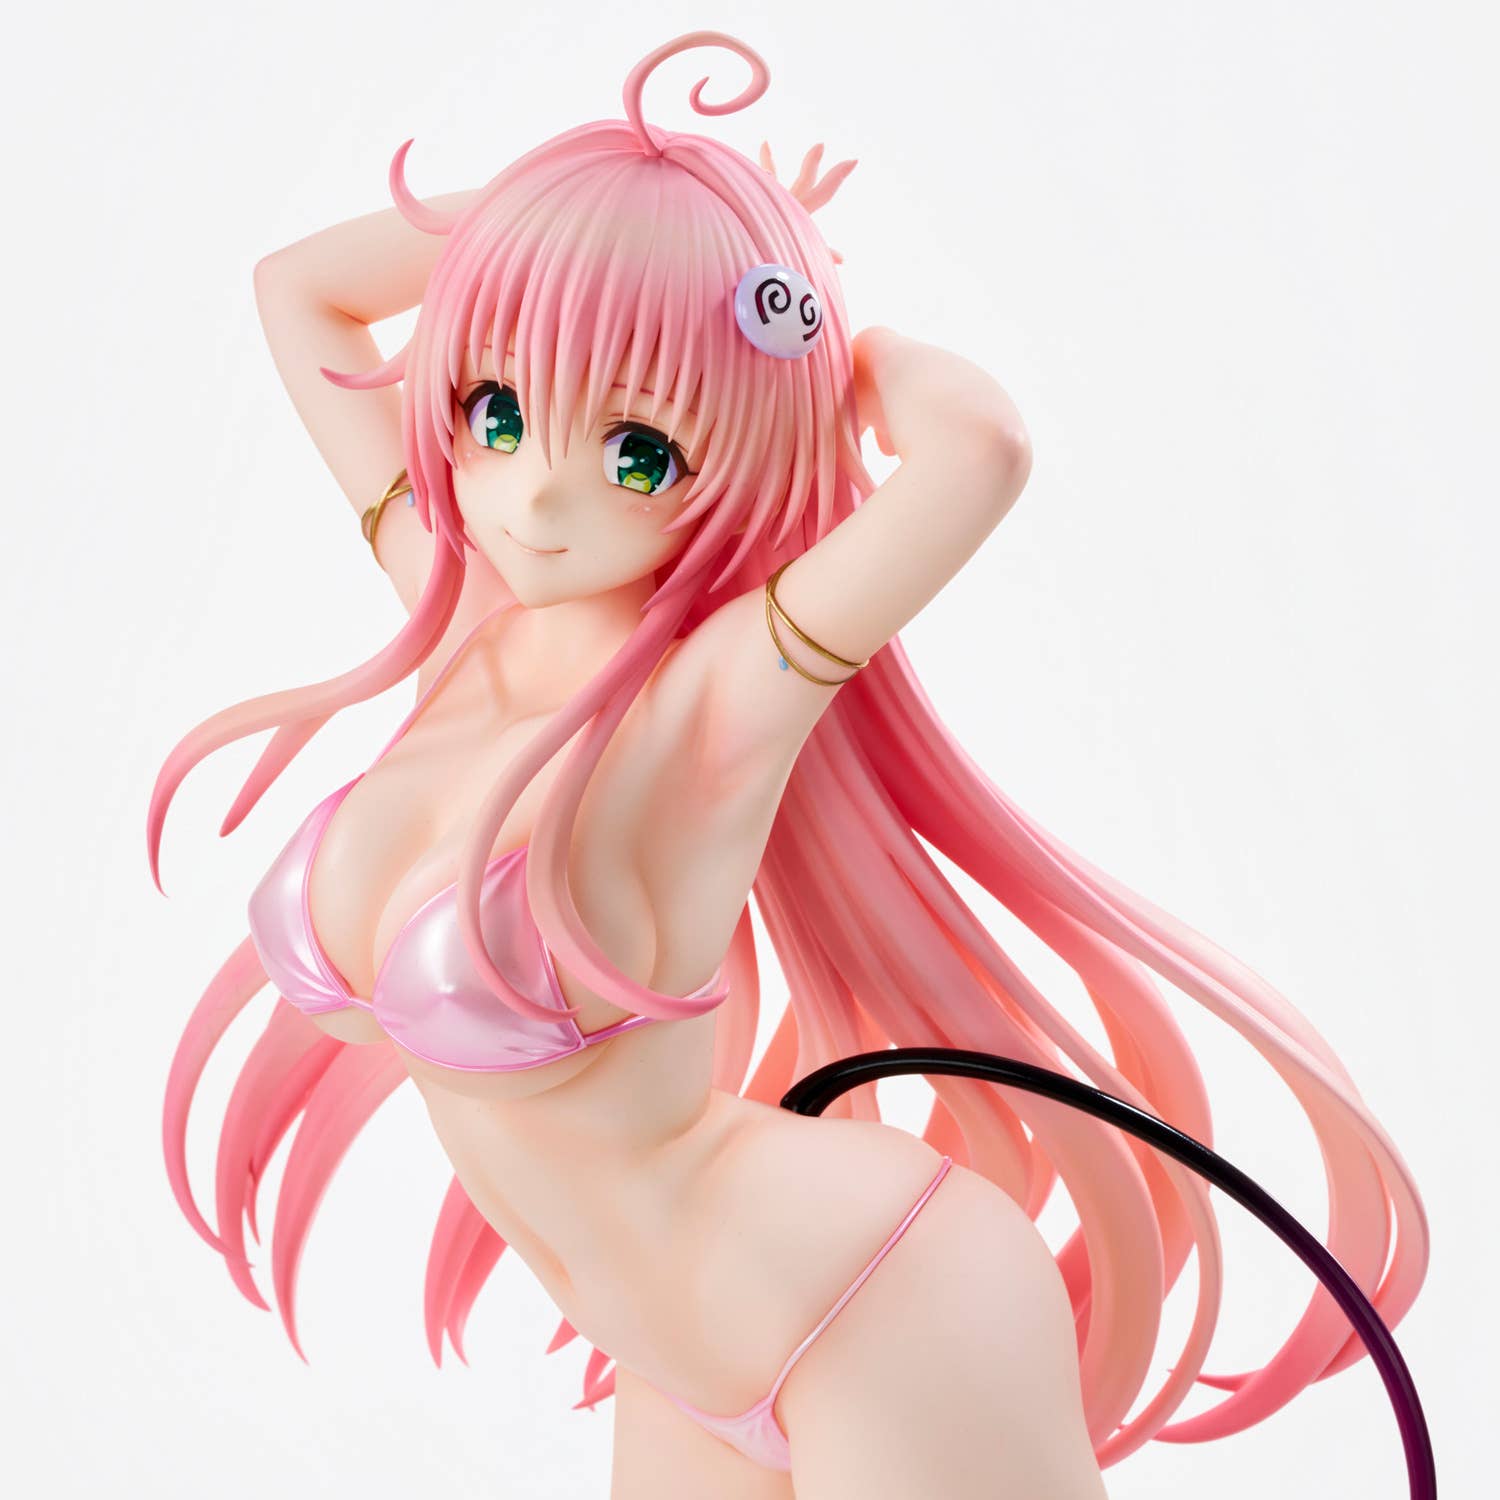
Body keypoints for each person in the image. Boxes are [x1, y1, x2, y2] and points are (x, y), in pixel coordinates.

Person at [150, 30, 1426, 1498]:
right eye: (496, 413)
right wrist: (588, 219)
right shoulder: (457, 612)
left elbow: (978, 450)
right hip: (678, 1355)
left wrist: (803, 314)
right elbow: (297, 292)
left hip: (864, 1301)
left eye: (637, 450)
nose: (537, 496)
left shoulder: (722, 692)